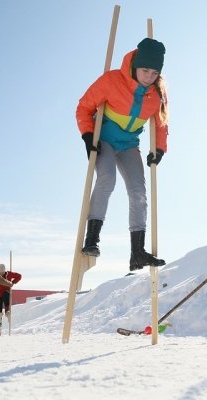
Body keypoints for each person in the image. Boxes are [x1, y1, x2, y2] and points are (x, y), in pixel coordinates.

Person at [76, 37, 168, 272]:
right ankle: (92, 240)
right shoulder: (111, 81)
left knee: (139, 191)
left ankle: (137, 252)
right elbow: (84, 107)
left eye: (154, 72)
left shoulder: (156, 94)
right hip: (104, 139)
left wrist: (159, 149)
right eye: (145, 70)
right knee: (107, 178)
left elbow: (160, 125)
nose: (149, 76)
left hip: (128, 144)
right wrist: (88, 136)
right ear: (135, 64)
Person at [0, 263, 22, 334]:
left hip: (6, 293)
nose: (1, 274)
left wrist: (12, 282)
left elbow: (19, 276)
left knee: (6, 296)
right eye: (0, 273)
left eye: (2, 272)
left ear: (4, 271)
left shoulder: (9, 274)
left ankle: (7, 312)